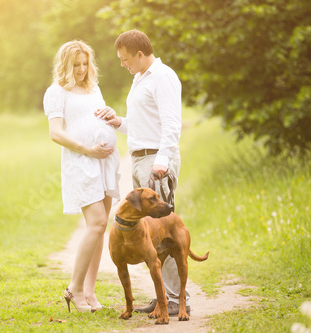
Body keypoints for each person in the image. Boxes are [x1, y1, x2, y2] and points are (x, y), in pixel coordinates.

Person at [96, 29, 190, 316]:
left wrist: (162, 161)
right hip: (139, 159)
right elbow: (141, 124)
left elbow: (172, 124)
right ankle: (165, 296)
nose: (123, 64)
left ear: (140, 53)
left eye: (125, 59)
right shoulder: (140, 78)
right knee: (151, 234)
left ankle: (175, 299)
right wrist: (118, 121)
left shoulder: (163, 77)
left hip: (155, 162)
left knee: (163, 231)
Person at [43, 40, 120, 313]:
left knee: (99, 228)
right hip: (82, 162)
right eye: (76, 65)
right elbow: (56, 133)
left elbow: (98, 117)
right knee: (97, 222)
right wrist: (88, 149)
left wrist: (111, 115)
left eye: (85, 64)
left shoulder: (93, 88)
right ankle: (73, 290)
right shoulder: (56, 92)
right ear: (65, 64)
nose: (82, 69)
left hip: (105, 161)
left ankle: (89, 292)